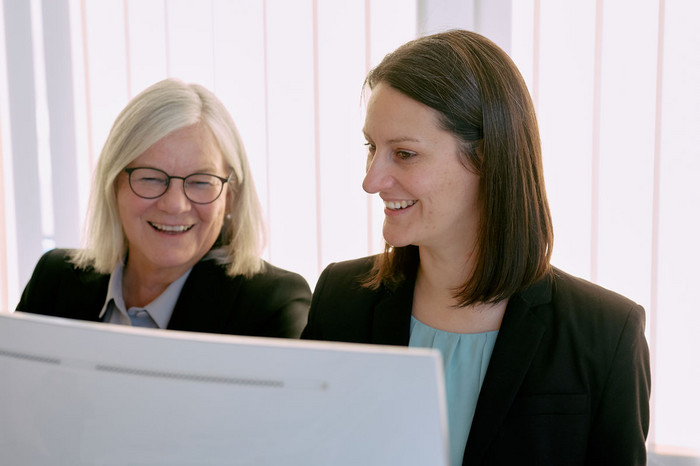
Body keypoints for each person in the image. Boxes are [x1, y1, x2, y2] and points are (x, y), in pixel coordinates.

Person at [301, 30, 650, 465]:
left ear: (486, 158)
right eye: (372, 148)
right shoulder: (340, 298)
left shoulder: (606, 333)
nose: (371, 181)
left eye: (404, 154)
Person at [17, 78, 311, 338]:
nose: (174, 204)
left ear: (230, 195)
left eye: (200, 182)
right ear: (113, 184)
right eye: (151, 178)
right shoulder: (53, 282)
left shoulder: (271, 305)